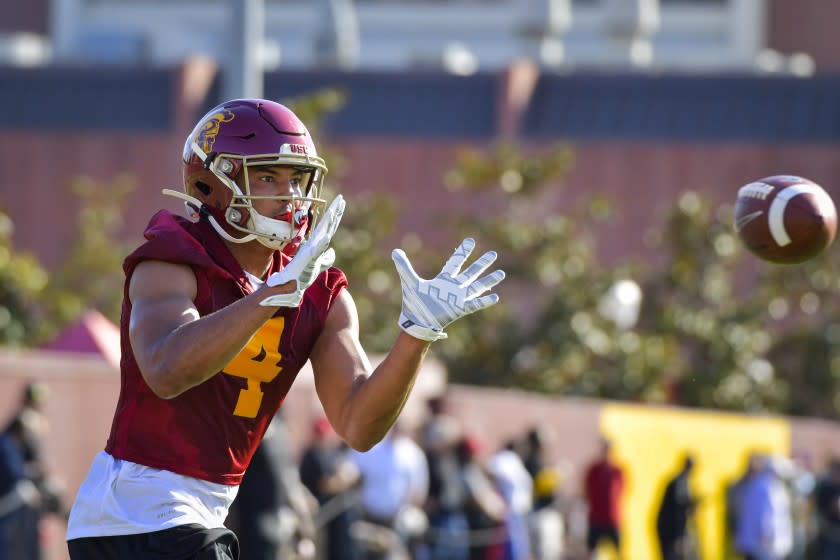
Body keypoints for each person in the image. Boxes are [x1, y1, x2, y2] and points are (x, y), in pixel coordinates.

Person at [64, 97, 505, 560]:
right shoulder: (173, 259)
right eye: (269, 176)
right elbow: (165, 370)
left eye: (296, 178)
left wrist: (416, 335)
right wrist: (269, 296)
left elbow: (358, 424)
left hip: (197, 515)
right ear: (215, 183)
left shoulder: (320, 291)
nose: (290, 195)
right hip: (135, 511)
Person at [226, 409, 318, 560]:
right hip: (252, 520)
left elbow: (286, 471)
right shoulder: (257, 428)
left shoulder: (276, 429)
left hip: (275, 519)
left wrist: (302, 499)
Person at [299, 416, 362, 560]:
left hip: (336, 512)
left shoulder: (333, 452)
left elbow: (350, 472)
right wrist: (343, 482)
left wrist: (346, 478)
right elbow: (325, 485)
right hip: (320, 513)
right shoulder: (311, 455)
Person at [583, 438, 624, 560]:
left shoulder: (617, 471)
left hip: (612, 518)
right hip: (596, 517)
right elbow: (587, 489)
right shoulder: (594, 469)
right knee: (592, 550)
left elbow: (622, 491)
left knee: (617, 551)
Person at [655, 454, 699, 560]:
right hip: (670, 530)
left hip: (670, 529)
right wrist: (679, 535)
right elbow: (678, 509)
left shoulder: (682, 481)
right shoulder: (680, 482)